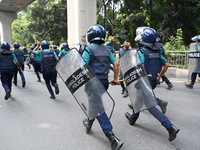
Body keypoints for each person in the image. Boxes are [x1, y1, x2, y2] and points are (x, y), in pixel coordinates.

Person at [125, 27, 180, 142]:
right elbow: (166, 65)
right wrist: (159, 76)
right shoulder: (156, 52)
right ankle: (133, 118)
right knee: (139, 99)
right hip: (153, 81)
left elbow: (140, 68)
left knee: (149, 105)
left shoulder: (141, 52)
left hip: (144, 82)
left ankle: (170, 127)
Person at [82, 24, 123, 150]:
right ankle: (89, 123)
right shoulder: (107, 50)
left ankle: (112, 137)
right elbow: (116, 65)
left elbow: (84, 66)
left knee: (98, 107)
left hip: (93, 82)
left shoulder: (88, 48)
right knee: (95, 103)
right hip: (105, 82)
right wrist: (115, 79)